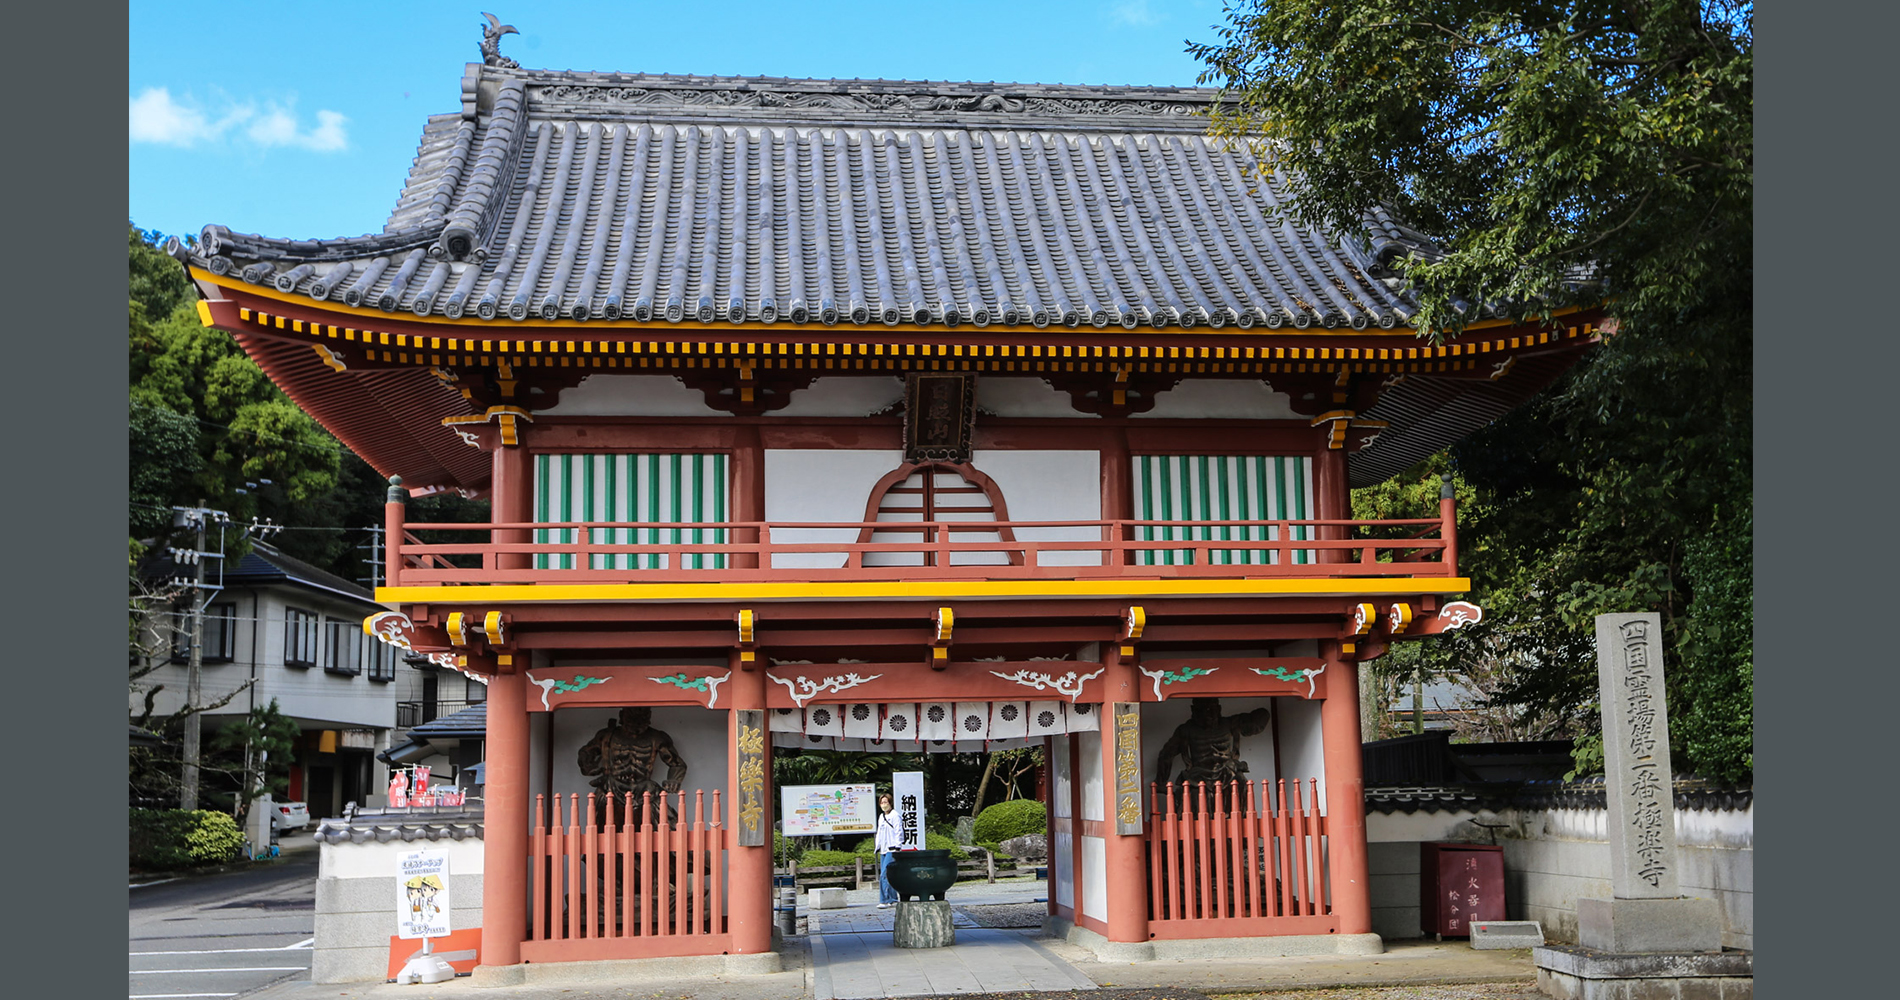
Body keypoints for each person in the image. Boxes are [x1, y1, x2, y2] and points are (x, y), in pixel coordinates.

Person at [874, 792, 901, 908]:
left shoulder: (895, 815)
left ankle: (884, 900)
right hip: (883, 850)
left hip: (892, 848)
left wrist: (898, 846)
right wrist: (877, 846)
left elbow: (899, 831)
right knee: (889, 874)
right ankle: (893, 898)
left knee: (884, 875)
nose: (884, 804)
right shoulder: (881, 817)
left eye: (886, 802)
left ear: (890, 803)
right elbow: (879, 833)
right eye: (882, 802)